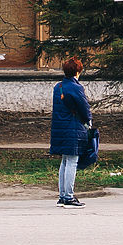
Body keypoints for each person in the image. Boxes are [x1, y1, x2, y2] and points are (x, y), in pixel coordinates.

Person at [50, 57, 92, 208]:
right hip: (73, 128)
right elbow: (84, 108)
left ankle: (62, 195)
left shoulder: (58, 86)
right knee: (72, 161)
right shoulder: (76, 88)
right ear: (77, 71)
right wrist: (89, 121)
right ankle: (69, 196)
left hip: (60, 128)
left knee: (65, 161)